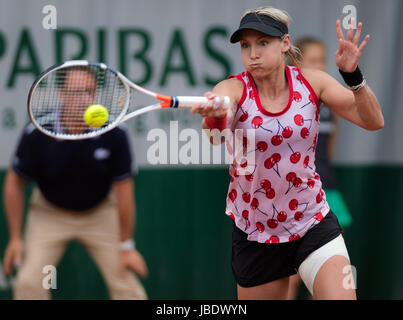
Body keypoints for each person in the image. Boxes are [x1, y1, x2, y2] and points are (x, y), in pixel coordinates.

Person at [191, 6, 383, 300]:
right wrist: (216, 114)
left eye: (263, 43)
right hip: (255, 232)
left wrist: (353, 77)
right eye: (246, 45)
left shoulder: (313, 82)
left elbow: (373, 121)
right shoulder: (232, 88)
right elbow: (216, 135)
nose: (253, 53)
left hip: (312, 221)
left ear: (284, 43)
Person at [2, 66, 148, 300]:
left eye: (89, 92)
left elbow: (124, 193)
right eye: (75, 92)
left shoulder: (115, 132)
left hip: (101, 212)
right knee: (28, 282)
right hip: (49, 213)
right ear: (61, 93)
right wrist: (16, 239)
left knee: (128, 288)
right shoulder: (37, 131)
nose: (83, 98)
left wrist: (127, 247)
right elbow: (14, 183)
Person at [287, 37, 354, 299]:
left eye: (322, 60)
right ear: (297, 63)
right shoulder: (291, 101)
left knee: (335, 269)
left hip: (329, 190)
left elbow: (329, 149)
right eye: (313, 60)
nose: (320, 66)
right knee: (291, 276)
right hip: (297, 196)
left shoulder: (331, 103)